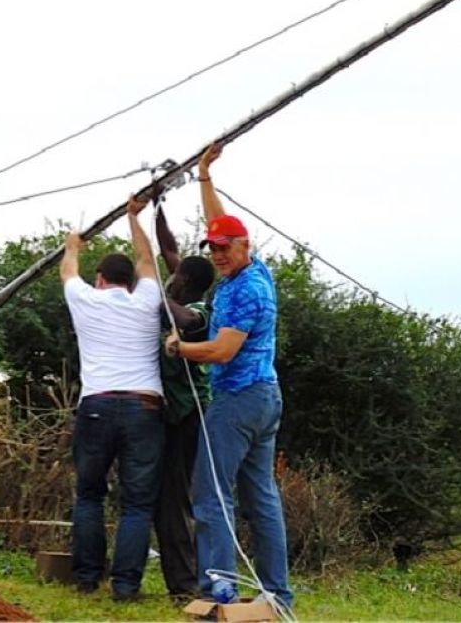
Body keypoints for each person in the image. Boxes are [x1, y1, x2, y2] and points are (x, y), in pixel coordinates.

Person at [165, 144, 293, 606]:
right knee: (261, 497)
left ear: (245, 246)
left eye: (224, 248)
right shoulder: (255, 271)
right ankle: (276, 595)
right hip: (265, 400)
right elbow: (221, 222)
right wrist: (204, 176)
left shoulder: (243, 293)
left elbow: (221, 352)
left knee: (212, 494)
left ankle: (219, 589)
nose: (217, 254)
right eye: (213, 248)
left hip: (237, 401)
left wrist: (180, 347)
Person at [61, 195, 165, 601]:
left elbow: (68, 271)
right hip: (145, 406)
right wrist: (133, 218)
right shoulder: (147, 300)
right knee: (137, 503)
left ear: (100, 278)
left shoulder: (85, 298)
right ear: (130, 282)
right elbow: (147, 259)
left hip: (98, 404)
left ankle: (87, 577)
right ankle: (125, 586)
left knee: (90, 493)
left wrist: (73, 246)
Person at [153, 203, 215, 600]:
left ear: (186, 281)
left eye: (174, 277)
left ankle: (185, 583)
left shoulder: (200, 311)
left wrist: (154, 293)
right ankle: (185, 578)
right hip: (175, 415)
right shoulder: (184, 286)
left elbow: (186, 323)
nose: (170, 277)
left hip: (187, 416)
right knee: (168, 495)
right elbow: (169, 248)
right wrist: (157, 207)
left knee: (174, 498)